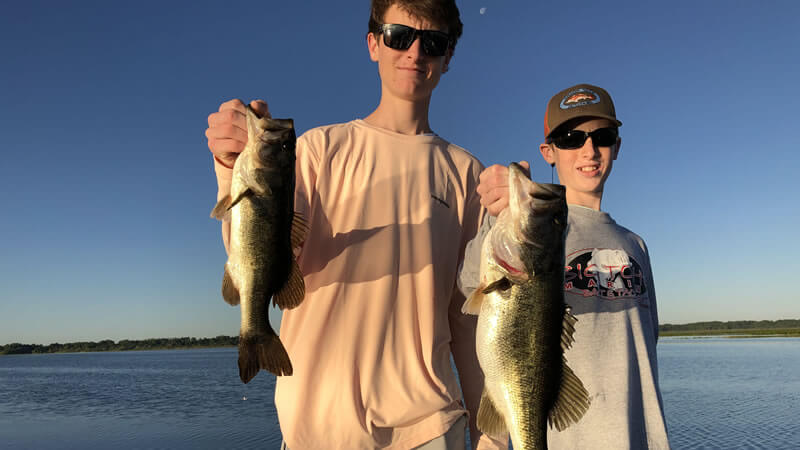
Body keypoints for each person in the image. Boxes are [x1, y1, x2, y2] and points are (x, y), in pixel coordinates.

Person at [205, 1, 505, 449]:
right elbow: (252, 253)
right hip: (315, 426)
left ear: (447, 57)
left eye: (434, 42)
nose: (415, 52)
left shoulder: (466, 174)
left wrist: (492, 438)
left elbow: (470, 323)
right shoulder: (315, 150)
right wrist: (229, 166)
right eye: (399, 35)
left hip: (430, 429)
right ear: (373, 43)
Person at [459, 83, 671, 449]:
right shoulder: (530, 225)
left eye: (602, 136)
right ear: (549, 152)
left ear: (616, 147)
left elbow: (645, 341)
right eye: (572, 138)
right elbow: (467, 284)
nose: (589, 150)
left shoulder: (636, 245)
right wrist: (499, 214)